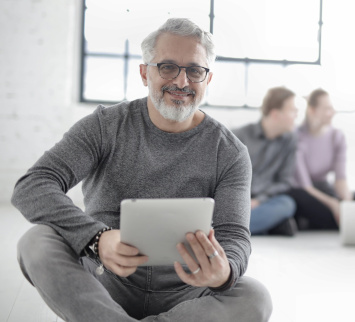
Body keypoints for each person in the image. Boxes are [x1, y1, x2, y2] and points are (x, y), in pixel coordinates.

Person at [12, 18, 272, 322]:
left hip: (187, 292)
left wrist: (224, 271)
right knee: (36, 243)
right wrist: (97, 238)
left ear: (207, 79)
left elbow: (234, 235)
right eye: (167, 67)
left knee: (254, 297)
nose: (182, 82)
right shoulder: (105, 126)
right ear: (144, 73)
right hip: (104, 280)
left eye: (194, 70)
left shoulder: (229, 152)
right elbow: (32, 185)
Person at [232, 87, 298, 236]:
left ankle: (230, 231)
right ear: (276, 114)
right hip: (236, 200)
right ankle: (267, 226)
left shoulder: (289, 141)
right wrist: (243, 201)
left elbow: (285, 181)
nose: (296, 115)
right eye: (292, 111)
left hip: (264, 201)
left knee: (287, 204)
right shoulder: (239, 135)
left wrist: (259, 201)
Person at [288, 89, 353, 230]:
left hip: (324, 187)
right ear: (312, 110)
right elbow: (305, 185)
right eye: (328, 109)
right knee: (308, 201)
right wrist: (334, 204)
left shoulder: (337, 136)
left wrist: (347, 206)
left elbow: (340, 179)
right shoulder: (297, 137)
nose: (333, 112)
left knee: (350, 201)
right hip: (303, 191)